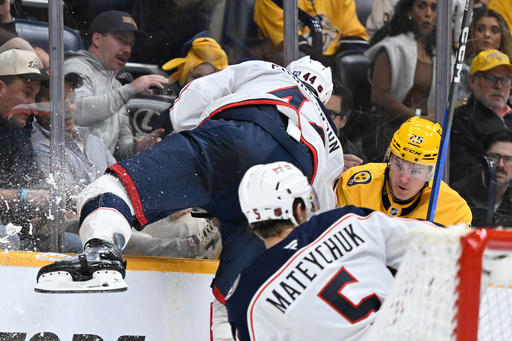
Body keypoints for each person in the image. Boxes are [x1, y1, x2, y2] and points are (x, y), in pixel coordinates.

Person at [34, 59, 344, 340]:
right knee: (234, 297)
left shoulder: (269, 70)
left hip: (234, 140)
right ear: (324, 98)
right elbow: (319, 214)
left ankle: (101, 252)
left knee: (116, 186)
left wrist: (189, 155)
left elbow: (196, 95)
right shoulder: (333, 142)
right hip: (282, 189)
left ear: (291, 70)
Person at [226, 161, 445, 341]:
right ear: (299, 209)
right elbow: (438, 243)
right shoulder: (346, 220)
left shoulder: (246, 295)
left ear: (253, 221)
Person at [0, 49, 82, 252]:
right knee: (8, 240)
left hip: (17, 229)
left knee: (78, 243)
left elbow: (30, 180)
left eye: (35, 95)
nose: (32, 103)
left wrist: (56, 197)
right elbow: (23, 193)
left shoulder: (18, 130)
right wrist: (26, 197)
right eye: (27, 93)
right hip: (8, 236)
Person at [64, 10, 168, 160]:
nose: (127, 50)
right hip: (70, 169)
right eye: (120, 40)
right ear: (97, 39)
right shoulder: (76, 68)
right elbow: (77, 113)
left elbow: (119, 149)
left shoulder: (117, 85)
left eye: (130, 44)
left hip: (100, 173)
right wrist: (131, 89)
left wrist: (137, 147)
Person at [337, 116, 472, 228]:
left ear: (431, 173)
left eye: (416, 171)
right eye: (399, 166)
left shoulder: (454, 211)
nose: (404, 179)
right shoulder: (355, 185)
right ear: (389, 158)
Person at [365, 0, 438, 162]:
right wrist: (416, 118)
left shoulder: (444, 54)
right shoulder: (392, 48)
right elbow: (379, 95)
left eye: (434, 8)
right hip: (393, 128)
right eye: (421, 6)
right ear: (409, 12)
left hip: (431, 131)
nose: (428, 13)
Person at [450, 49, 512, 181]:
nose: (499, 86)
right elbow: (467, 172)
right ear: (472, 81)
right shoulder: (460, 119)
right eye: (490, 78)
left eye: (505, 80)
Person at [253, 0, 369, 66]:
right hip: (283, 62)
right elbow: (290, 45)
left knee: (359, 60)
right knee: (299, 60)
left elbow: (355, 37)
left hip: (332, 60)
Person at [452, 130, 512, 227]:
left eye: (508, 159)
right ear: (482, 160)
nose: (501, 164)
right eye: (494, 157)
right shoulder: (460, 193)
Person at [457, 9, 512, 105]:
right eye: (480, 29)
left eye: (494, 31)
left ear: (502, 37)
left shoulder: (510, 69)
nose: (487, 34)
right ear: (471, 33)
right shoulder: (459, 68)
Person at [326, 79, 367, 171]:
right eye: (317, 110)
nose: (320, 117)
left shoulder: (355, 158)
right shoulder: (294, 138)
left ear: (343, 121)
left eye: (329, 114)